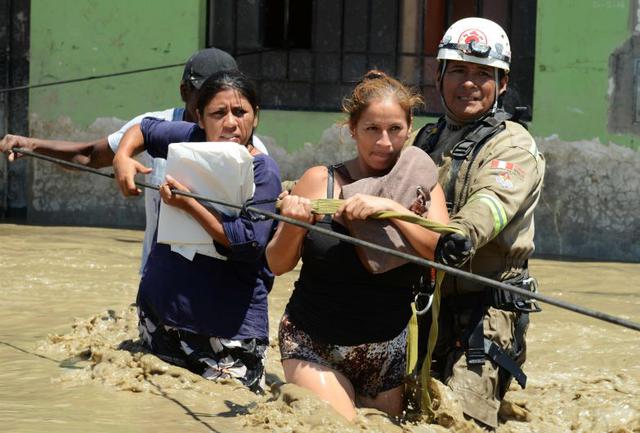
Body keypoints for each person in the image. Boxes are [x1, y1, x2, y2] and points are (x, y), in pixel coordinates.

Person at [265, 71, 450, 420]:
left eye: (395, 129)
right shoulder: (320, 182)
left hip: (386, 352)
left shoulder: (424, 188)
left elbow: (440, 254)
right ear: (352, 129)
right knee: (344, 426)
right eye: (371, 130)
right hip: (313, 343)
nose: (384, 142)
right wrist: (293, 225)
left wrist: (394, 211)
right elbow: (276, 264)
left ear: (409, 128)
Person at [0, 47, 268, 275]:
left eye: (233, 104)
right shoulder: (156, 128)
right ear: (185, 91)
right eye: (208, 95)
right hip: (161, 275)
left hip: (223, 280)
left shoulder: (253, 153)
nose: (226, 117)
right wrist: (32, 145)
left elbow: (254, 237)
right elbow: (89, 156)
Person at [407, 17, 546, 429]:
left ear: (501, 84)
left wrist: (461, 233)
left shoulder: (514, 145)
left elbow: (495, 202)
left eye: (483, 74)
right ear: (439, 76)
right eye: (459, 71)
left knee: (459, 419)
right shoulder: (426, 139)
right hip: (427, 305)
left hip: (487, 309)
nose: (470, 83)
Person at [112, 70, 281, 392]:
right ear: (200, 119)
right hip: (161, 312)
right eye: (218, 113)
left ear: (255, 118)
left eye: (240, 112)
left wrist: (189, 205)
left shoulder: (263, 170)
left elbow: (248, 244)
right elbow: (144, 129)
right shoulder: (189, 139)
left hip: (226, 329)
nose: (230, 122)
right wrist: (123, 156)